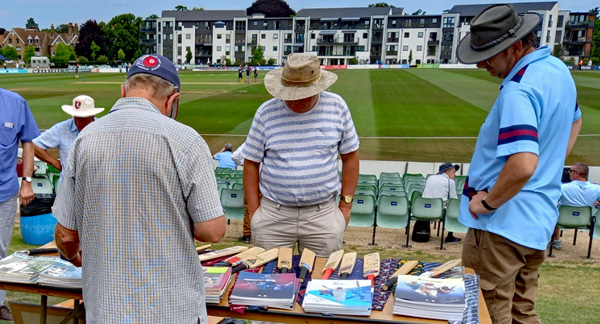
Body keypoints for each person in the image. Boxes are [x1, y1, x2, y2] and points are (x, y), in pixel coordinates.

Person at [53, 54, 226, 323]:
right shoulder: (186, 139)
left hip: (106, 310)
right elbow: (212, 231)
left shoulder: (84, 140)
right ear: (172, 100)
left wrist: (74, 254)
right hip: (173, 310)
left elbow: (65, 236)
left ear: (123, 91)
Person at [456, 4, 582, 324]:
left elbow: (523, 164)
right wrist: (551, 167)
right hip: (537, 221)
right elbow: (575, 121)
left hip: (502, 228)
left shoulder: (517, 89)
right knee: (521, 313)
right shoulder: (556, 69)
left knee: (485, 315)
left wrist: (486, 203)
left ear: (514, 48)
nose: (482, 63)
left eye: (490, 54)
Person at [243, 53, 360, 257]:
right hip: (274, 216)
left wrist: (346, 206)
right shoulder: (266, 113)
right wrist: (255, 213)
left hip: (322, 215)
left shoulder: (337, 107)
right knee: (269, 284)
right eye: (290, 94)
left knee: (320, 284)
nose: (295, 101)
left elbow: (350, 156)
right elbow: (251, 162)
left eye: (302, 95)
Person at [0, 88, 40, 321]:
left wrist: (27, 182)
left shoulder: (16, 103)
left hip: (4, 192)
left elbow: (27, 143)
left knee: (0, 250)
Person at [32, 95, 104, 187]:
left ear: (92, 115)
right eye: (75, 117)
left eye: (82, 118)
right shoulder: (62, 128)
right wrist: (56, 163)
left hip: (96, 185)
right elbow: (34, 146)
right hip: (68, 186)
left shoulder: (102, 128)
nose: (78, 121)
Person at [551, 162, 600, 249]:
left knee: (552, 211)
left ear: (577, 173)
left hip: (562, 219)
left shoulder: (563, 187)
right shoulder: (597, 189)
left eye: (570, 171)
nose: (569, 172)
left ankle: (556, 239)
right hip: (584, 220)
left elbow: (552, 201)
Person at [419, 162, 461, 243]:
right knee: (454, 207)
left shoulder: (430, 178)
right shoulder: (450, 182)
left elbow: (422, 192)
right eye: (454, 171)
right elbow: (453, 200)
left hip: (424, 209)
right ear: (447, 171)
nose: (455, 174)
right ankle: (449, 236)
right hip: (438, 211)